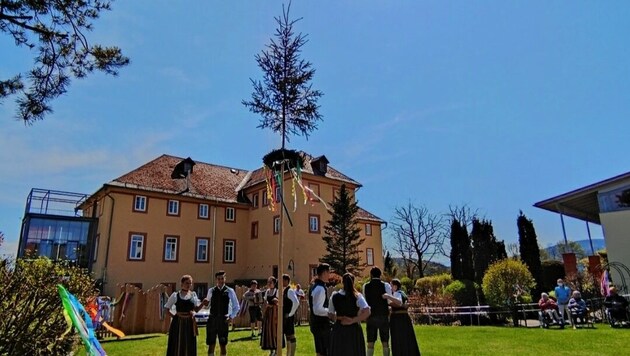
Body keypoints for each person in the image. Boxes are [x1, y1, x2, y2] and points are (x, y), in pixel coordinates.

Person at [328, 273, 371, 356]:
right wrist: (353, 320)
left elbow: (330, 314)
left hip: (339, 328)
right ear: (353, 282)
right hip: (354, 329)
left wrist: (339, 317)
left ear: (342, 282)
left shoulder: (334, 296)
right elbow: (367, 311)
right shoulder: (357, 296)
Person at [163, 275, 203, 356]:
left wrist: (203, 303)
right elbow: (166, 309)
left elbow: (196, 309)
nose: (188, 285)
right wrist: (175, 316)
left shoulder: (193, 295)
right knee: (177, 341)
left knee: (189, 341)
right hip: (178, 323)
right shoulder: (175, 295)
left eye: (190, 283)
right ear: (182, 284)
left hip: (189, 322)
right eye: (186, 283)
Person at [204, 271, 240, 356]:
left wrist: (231, 317)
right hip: (212, 319)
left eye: (222, 278)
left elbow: (236, 306)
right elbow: (206, 305)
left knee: (223, 344)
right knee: (211, 343)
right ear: (216, 280)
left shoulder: (230, 291)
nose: (220, 280)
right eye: (219, 279)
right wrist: (205, 303)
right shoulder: (211, 291)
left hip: (223, 320)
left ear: (225, 279)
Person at [382, 279, 421, 356]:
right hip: (404, 317)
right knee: (406, 337)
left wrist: (388, 296)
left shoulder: (397, 293)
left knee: (398, 338)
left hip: (398, 318)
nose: (390, 287)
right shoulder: (403, 293)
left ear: (395, 286)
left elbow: (399, 302)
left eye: (391, 285)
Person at [363, 267, 393, 356]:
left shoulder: (366, 286)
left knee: (370, 342)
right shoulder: (386, 285)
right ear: (380, 275)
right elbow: (389, 301)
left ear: (371, 275)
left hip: (371, 316)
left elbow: (365, 302)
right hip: (383, 315)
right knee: (385, 341)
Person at [309, 263, 332, 356]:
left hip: (316, 323)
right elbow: (317, 309)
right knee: (323, 352)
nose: (329, 274)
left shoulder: (314, 286)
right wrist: (330, 312)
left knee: (320, 351)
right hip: (321, 325)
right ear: (324, 272)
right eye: (328, 272)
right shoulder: (320, 288)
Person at [260, 276, 283, 355]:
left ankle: (276, 350)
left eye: (270, 282)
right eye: (268, 282)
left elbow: (279, 302)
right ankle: (271, 350)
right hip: (268, 313)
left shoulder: (277, 291)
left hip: (275, 313)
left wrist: (275, 302)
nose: (269, 284)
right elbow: (265, 302)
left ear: (274, 283)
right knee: (268, 330)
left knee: (275, 330)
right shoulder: (267, 291)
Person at [282, 274, 300, 356]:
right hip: (285, 316)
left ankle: (291, 354)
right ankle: (288, 354)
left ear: (286, 281)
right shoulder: (285, 290)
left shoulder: (290, 290)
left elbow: (296, 302)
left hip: (288, 316)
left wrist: (290, 314)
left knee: (291, 335)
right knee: (287, 335)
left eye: (282, 280)